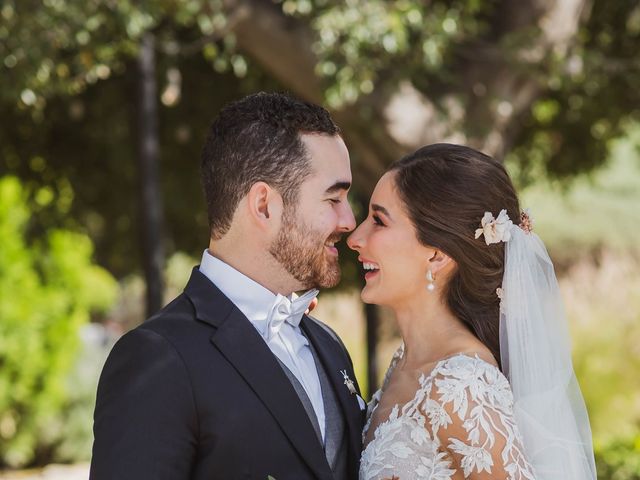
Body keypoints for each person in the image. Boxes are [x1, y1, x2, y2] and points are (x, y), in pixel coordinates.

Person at [90, 92, 366, 480]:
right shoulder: (159, 359)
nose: (349, 220)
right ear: (264, 206)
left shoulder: (329, 346)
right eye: (334, 197)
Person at [348, 143, 597, 479]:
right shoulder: (405, 362)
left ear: (437, 255)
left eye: (378, 220)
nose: (355, 237)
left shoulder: (460, 386)